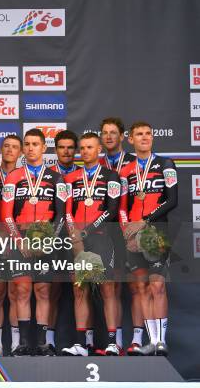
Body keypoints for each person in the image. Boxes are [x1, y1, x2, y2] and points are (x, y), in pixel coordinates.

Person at [1, 128, 66, 356]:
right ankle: (23, 343)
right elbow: (7, 215)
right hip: (20, 241)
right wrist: (19, 242)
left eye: (35, 144)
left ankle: (41, 342)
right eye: (26, 144)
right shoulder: (13, 177)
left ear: (43, 148)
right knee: (22, 290)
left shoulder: (57, 178)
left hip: (47, 241)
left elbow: (61, 215)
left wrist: (48, 242)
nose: (30, 148)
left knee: (43, 291)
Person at [119, 122, 177, 356]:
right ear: (130, 140)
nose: (145, 138)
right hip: (132, 234)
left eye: (148, 134)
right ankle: (151, 341)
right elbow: (121, 208)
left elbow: (172, 201)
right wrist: (126, 231)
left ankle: (161, 341)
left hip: (156, 232)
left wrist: (146, 221)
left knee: (157, 285)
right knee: (142, 287)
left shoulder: (166, 164)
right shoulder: (125, 171)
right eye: (139, 134)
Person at [61, 133, 122, 356]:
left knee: (108, 289)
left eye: (90, 147)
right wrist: (74, 232)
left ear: (99, 151)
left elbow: (112, 210)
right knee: (80, 290)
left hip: (101, 238)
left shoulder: (111, 176)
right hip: (76, 240)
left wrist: (85, 231)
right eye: (83, 148)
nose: (85, 151)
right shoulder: (69, 179)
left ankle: (112, 342)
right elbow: (66, 211)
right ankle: (80, 343)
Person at [99, 117, 137, 355]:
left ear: (122, 136)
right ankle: (117, 342)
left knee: (135, 287)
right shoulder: (96, 164)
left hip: (130, 230)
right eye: (105, 133)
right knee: (109, 288)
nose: (109, 136)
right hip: (104, 233)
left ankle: (138, 340)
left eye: (114, 132)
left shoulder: (135, 162)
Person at [47, 130, 81, 353]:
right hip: (56, 240)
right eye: (62, 147)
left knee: (84, 290)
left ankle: (83, 342)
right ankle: (49, 340)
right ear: (55, 149)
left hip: (80, 240)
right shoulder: (48, 175)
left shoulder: (84, 174)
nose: (66, 151)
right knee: (53, 290)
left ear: (75, 150)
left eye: (70, 147)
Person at [0, 134, 22, 356]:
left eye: (15, 147)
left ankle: (16, 344)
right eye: (7, 146)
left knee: (15, 292)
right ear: (1, 149)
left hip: (18, 240)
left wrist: (15, 237)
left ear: (20, 152)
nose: (10, 150)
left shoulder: (24, 176)